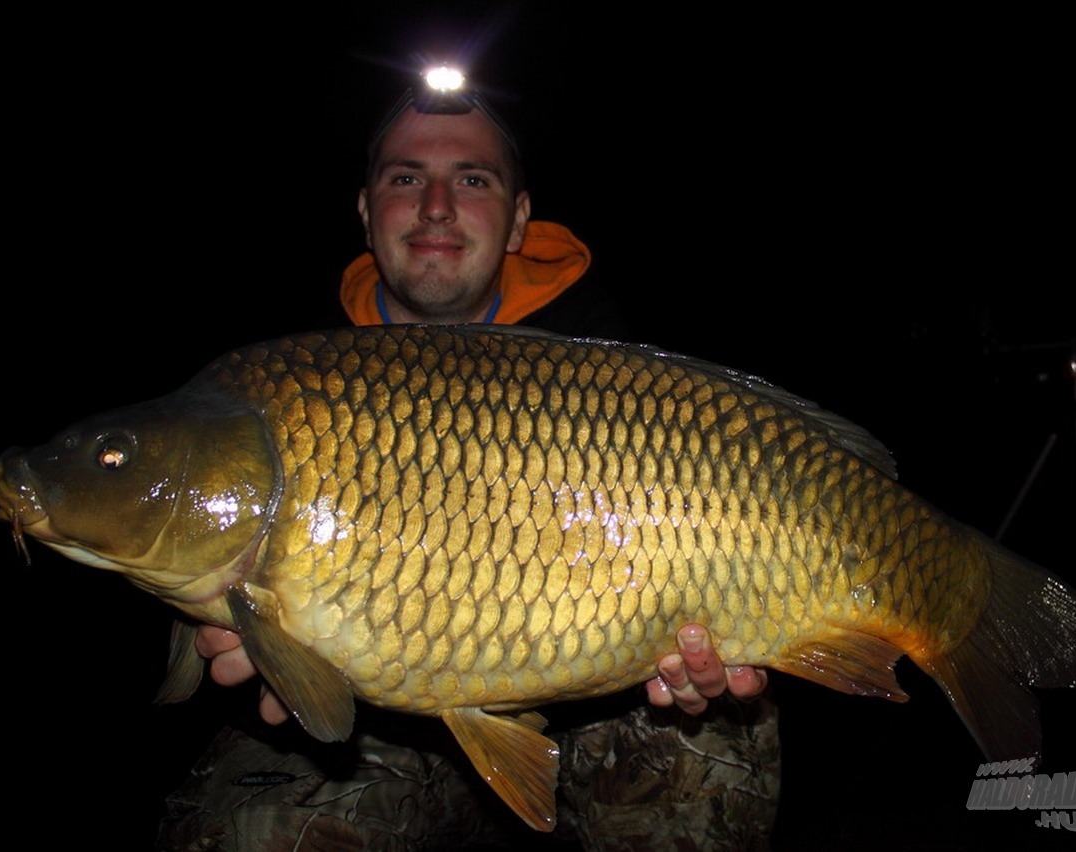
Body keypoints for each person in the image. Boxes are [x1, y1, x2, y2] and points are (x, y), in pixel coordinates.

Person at [158, 81, 780, 851]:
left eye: (473, 179)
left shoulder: (614, 376)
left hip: (612, 704)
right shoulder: (289, 389)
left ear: (520, 218)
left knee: (710, 767)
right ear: (364, 208)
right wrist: (256, 643)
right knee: (250, 832)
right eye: (407, 177)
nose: (437, 205)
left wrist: (718, 637)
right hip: (371, 734)